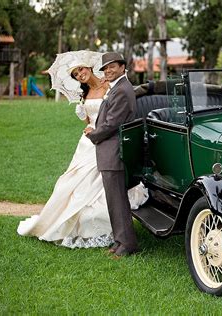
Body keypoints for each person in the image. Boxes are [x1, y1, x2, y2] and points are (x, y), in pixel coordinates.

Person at [17, 57, 147, 249]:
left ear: (89, 67)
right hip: (89, 142)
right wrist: (88, 125)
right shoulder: (85, 94)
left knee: (106, 189)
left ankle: (119, 237)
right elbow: (92, 120)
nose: (80, 75)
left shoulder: (111, 87)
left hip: (105, 140)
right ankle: (63, 220)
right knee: (70, 183)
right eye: (76, 74)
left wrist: (95, 132)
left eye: (81, 70)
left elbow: (113, 118)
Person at [84, 52, 139, 257]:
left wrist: (93, 134)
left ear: (123, 67)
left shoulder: (123, 90)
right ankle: (120, 241)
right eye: (105, 68)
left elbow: (112, 123)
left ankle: (127, 244)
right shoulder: (117, 87)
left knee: (117, 200)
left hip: (114, 151)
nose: (108, 70)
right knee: (114, 199)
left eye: (112, 66)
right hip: (109, 151)